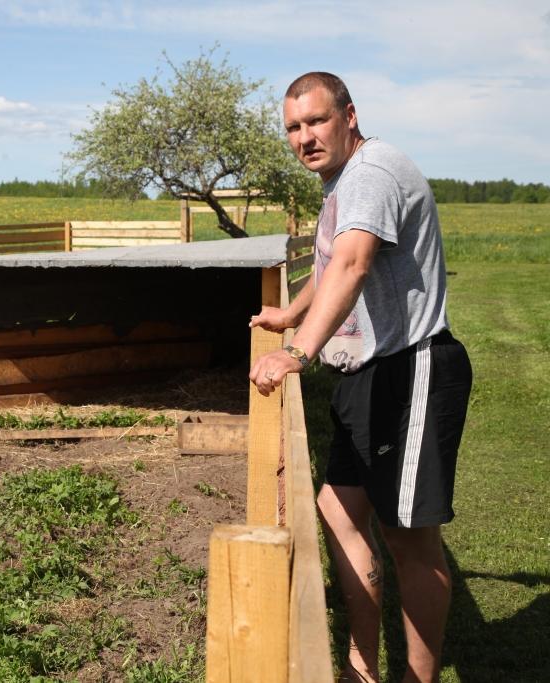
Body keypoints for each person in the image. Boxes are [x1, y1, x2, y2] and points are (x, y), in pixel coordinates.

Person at [248, 72, 472, 683]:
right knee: (338, 510)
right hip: (365, 373)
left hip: (410, 367)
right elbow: (330, 264)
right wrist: (292, 311)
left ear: (349, 115)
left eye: (317, 121)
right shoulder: (344, 184)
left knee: (409, 540)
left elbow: (353, 261)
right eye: (293, 127)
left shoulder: (370, 173)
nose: (305, 137)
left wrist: (298, 349)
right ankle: (358, 664)